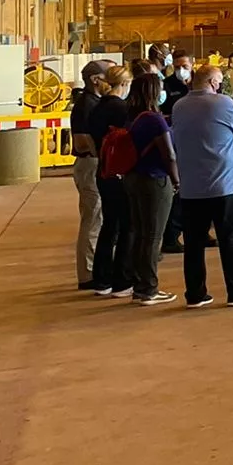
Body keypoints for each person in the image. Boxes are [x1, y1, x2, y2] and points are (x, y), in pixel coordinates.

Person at [170, 65, 233, 308]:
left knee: (194, 243)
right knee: (231, 239)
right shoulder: (222, 103)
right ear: (213, 82)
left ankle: (195, 293)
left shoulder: (179, 106)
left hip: (191, 184)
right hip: (222, 183)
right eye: (219, 81)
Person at [123, 71, 180, 306]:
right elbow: (168, 154)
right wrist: (177, 180)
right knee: (153, 235)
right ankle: (149, 288)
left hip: (134, 177)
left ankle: (139, 284)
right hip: (155, 179)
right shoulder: (154, 120)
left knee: (141, 232)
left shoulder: (133, 117)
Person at [89, 66, 136, 296]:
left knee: (109, 226)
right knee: (127, 226)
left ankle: (102, 279)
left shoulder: (98, 107)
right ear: (125, 85)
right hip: (119, 171)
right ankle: (122, 280)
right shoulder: (120, 108)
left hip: (103, 170)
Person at [67, 61, 110, 291]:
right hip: (90, 163)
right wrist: (99, 154)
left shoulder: (96, 102)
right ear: (95, 79)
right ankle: (88, 273)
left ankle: (96, 268)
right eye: (108, 76)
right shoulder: (87, 104)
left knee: (99, 217)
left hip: (95, 163)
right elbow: (82, 139)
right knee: (93, 219)